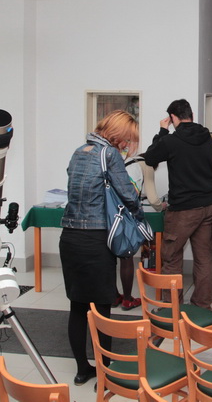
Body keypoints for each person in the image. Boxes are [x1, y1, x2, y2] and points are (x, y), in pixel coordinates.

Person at [59, 110, 143, 385]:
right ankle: (105, 371)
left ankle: (82, 369)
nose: (128, 144)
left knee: (77, 306)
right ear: (117, 134)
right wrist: (137, 209)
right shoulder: (110, 155)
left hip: (70, 238)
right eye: (128, 138)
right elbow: (128, 195)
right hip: (96, 240)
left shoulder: (79, 151)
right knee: (102, 308)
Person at [142, 99, 212, 309]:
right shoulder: (209, 137)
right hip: (208, 206)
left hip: (183, 210)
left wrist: (162, 131)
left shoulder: (171, 141)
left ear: (173, 118)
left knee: (171, 257)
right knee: (203, 257)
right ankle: (202, 305)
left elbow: (150, 158)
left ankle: (172, 308)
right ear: (191, 115)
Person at [113, 154, 163, 311]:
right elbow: (153, 199)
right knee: (126, 256)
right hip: (126, 213)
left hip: (111, 210)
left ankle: (113, 296)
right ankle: (128, 299)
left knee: (111, 256)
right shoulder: (147, 165)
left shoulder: (128, 161)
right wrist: (162, 206)